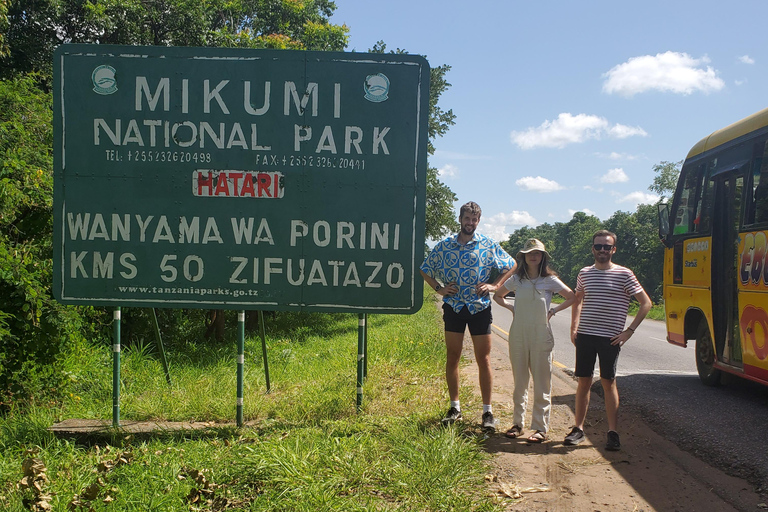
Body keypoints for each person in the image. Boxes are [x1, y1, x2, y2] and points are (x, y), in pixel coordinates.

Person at [420, 201, 516, 431]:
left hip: (479, 308)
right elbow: (425, 268)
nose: (470, 223)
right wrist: (439, 289)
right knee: (453, 356)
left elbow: (511, 265)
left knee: (483, 359)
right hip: (454, 306)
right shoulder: (444, 246)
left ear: (478, 221)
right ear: (460, 219)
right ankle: (455, 408)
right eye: (467, 218)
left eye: (474, 220)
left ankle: (487, 412)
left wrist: (495, 285)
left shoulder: (487, 244)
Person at [564, 230, 652, 451]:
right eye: (598, 246)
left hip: (609, 339)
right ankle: (578, 429)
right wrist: (574, 327)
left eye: (607, 246)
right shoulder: (584, 273)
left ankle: (613, 433)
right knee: (583, 381)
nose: (602, 250)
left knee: (608, 382)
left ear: (613, 249)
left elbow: (646, 303)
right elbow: (578, 300)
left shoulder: (624, 274)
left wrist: (629, 331)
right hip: (585, 335)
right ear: (592, 249)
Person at [493, 239, 576, 443]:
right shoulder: (516, 280)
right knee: (519, 381)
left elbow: (572, 296)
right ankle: (517, 424)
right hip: (518, 334)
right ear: (523, 257)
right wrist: (512, 309)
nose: (533, 256)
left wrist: (553, 311)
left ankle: (540, 428)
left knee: (542, 382)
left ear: (542, 257)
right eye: (529, 253)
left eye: (537, 253)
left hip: (541, 335)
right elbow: (498, 296)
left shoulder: (550, 280)